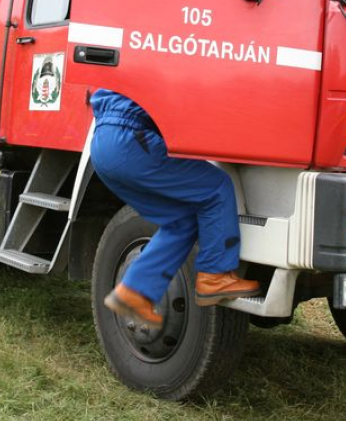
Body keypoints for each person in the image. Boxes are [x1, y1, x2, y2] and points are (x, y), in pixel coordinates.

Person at [89, 89, 260, 332]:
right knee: (216, 188)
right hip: (130, 139)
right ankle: (215, 275)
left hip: (103, 143)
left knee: (182, 220)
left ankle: (134, 291)